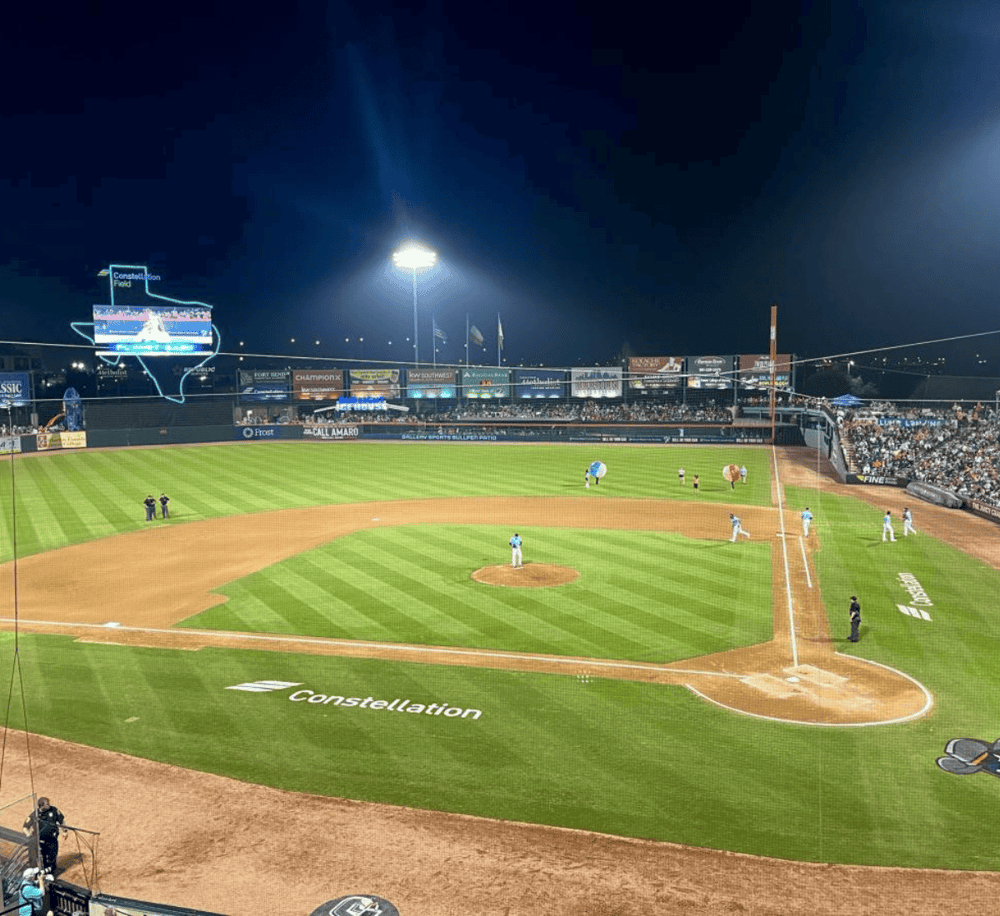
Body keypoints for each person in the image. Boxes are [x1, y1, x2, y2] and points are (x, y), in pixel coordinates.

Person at [23, 797, 65, 874]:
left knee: (52, 856)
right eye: (47, 804)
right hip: (39, 841)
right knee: (41, 857)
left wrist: (65, 831)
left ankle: (51, 873)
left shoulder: (54, 810)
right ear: (41, 806)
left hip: (52, 839)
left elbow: (61, 821)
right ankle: (41, 874)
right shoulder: (35, 815)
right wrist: (30, 836)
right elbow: (25, 827)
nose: (49, 805)